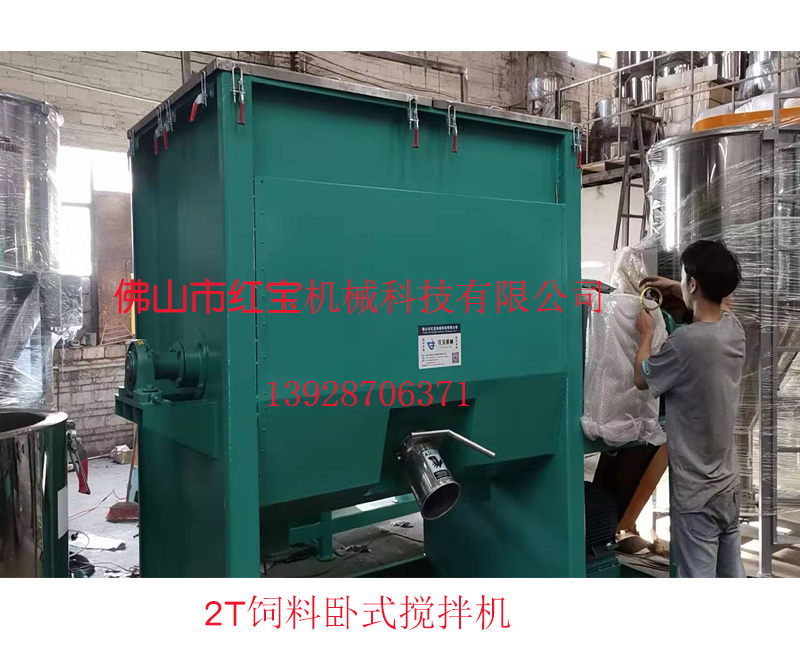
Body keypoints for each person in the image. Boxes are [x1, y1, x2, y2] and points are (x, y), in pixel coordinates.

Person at [633, 240, 746, 578]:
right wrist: (673, 286)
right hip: (728, 486)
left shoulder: (684, 343)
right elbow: (723, 304)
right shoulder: (734, 330)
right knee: (731, 576)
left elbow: (641, 378)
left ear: (693, 284)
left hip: (697, 496)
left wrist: (646, 334)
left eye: (684, 278)